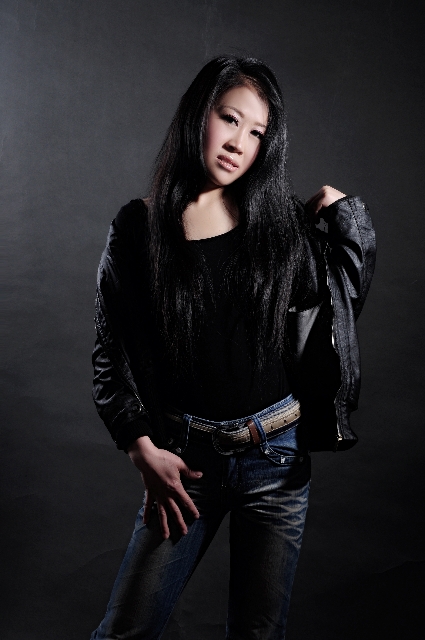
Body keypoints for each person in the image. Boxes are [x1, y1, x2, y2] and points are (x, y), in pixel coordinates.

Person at [90, 56, 376, 640]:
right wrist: (141, 450)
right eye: (229, 118)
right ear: (199, 114)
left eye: (257, 132)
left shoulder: (280, 226)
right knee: (124, 631)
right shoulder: (138, 230)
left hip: (277, 459)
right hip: (187, 463)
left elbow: (338, 312)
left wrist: (347, 216)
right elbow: (109, 352)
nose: (238, 143)